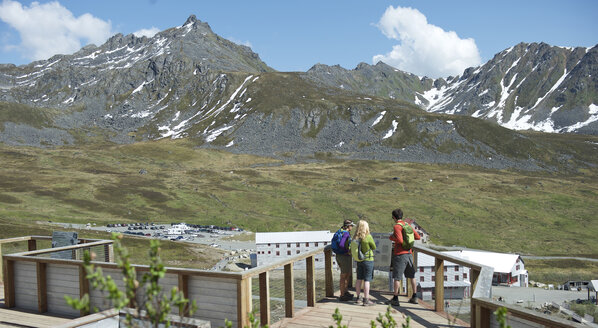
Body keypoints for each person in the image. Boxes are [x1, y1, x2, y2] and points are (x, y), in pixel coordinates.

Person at [386, 208, 420, 306]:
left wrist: (392, 237)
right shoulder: (407, 225)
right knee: (412, 276)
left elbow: (400, 240)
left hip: (400, 254)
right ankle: (414, 296)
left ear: (394, 217)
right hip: (409, 253)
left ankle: (395, 298)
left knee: (397, 277)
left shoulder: (397, 226)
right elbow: (417, 237)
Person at [350, 220, 377, 306]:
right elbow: (374, 246)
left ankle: (358, 297)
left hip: (359, 260)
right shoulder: (368, 236)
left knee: (359, 279)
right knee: (367, 280)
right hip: (368, 260)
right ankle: (366, 299)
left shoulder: (355, 237)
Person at [334, 219, 355, 301]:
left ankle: (345, 292)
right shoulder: (346, 233)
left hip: (339, 256)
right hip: (344, 257)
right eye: (351, 226)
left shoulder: (340, 231)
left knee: (346, 274)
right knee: (344, 275)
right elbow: (342, 244)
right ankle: (342, 295)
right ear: (348, 226)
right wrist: (347, 251)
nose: (352, 227)